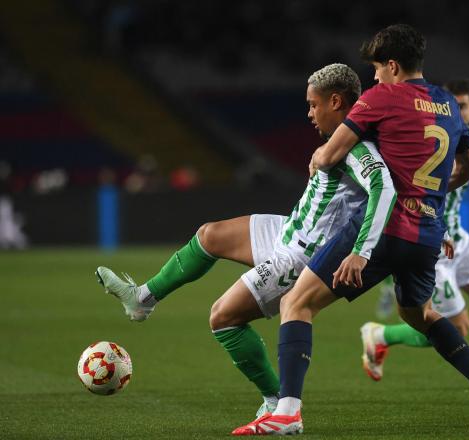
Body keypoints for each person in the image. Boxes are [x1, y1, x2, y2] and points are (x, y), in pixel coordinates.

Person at [232, 24, 469, 436]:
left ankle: (288, 413)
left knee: (295, 305)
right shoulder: (447, 104)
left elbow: (331, 153)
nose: (373, 78)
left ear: (392, 65)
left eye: (376, 69)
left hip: (384, 229)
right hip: (426, 234)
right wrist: (433, 196)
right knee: (420, 314)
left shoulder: (381, 97)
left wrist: (319, 157)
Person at [97, 63, 396, 416]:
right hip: (290, 230)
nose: (309, 113)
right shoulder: (338, 142)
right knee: (210, 235)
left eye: (314, 105)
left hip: (300, 256)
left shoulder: (358, 147)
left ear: (335, 101)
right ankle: (142, 299)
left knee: (223, 317)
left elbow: (383, 186)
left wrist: (361, 250)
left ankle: (274, 399)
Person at [361, 78, 469, 390]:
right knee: (455, 327)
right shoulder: (422, 135)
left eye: (463, 105)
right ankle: (380, 334)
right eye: (452, 104)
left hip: (460, 240)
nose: (457, 110)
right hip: (430, 243)